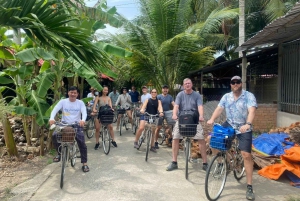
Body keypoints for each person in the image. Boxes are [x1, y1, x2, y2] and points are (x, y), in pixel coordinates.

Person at [207, 75, 257, 200]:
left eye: (237, 82)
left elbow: (252, 111)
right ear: (230, 84)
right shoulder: (226, 96)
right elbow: (219, 108)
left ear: (241, 83)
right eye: (233, 82)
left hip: (244, 126)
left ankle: (249, 186)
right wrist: (212, 119)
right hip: (229, 124)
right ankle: (220, 162)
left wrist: (248, 124)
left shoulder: (249, 96)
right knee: (211, 139)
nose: (235, 84)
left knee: (246, 154)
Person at [166, 78, 208, 171]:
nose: (187, 85)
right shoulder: (180, 95)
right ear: (183, 85)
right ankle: (174, 162)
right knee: (175, 137)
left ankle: (205, 163)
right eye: (185, 84)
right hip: (182, 119)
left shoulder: (196, 95)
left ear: (191, 84)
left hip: (194, 119)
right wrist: (174, 114)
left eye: (189, 83)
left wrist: (201, 115)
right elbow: (176, 106)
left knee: (201, 138)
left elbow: (200, 106)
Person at [49, 86, 89, 172]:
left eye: (75, 93)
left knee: (82, 142)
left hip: (76, 125)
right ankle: (59, 154)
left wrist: (83, 120)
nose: (73, 94)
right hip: (64, 124)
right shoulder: (63, 101)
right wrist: (51, 118)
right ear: (68, 93)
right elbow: (55, 109)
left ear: (77, 94)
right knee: (55, 135)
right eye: (71, 92)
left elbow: (84, 112)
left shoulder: (80, 103)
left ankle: (84, 163)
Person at [154, 85, 175, 149]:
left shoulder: (170, 97)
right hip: (160, 113)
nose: (165, 90)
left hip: (168, 112)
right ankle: (156, 142)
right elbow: (156, 104)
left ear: (168, 90)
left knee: (171, 126)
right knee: (158, 127)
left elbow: (174, 104)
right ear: (162, 89)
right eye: (164, 89)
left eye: (166, 89)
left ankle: (171, 139)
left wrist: (176, 110)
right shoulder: (159, 96)